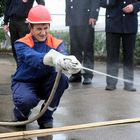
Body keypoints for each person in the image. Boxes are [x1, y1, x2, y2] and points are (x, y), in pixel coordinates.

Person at [11, 5, 81, 129]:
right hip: (24, 83)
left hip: (45, 83)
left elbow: (63, 55)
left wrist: (69, 63)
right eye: (39, 29)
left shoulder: (57, 43)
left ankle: (46, 116)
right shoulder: (21, 44)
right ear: (30, 27)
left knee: (62, 79)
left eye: (45, 28)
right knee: (26, 101)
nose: (43, 32)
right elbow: (32, 57)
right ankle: (21, 112)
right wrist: (51, 57)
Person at [104, 0, 140, 91]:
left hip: (130, 24)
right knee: (112, 56)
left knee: (129, 55)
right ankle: (111, 83)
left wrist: (134, 6)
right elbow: (101, 2)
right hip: (113, 23)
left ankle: (128, 83)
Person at [65, 0, 100, 85]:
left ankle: (88, 75)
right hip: (73, 20)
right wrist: (69, 18)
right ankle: (76, 74)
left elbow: (95, 1)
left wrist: (93, 15)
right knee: (74, 49)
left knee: (87, 49)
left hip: (86, 19)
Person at [3, 0, 45, 66]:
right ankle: (19, 69)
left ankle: (26, 70)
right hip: (12, 22)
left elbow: (41, 3)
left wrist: (32, 17)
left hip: (24, 23)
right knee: (15, 47)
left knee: (25, 47)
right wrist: (5, 23)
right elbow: (7, 6)